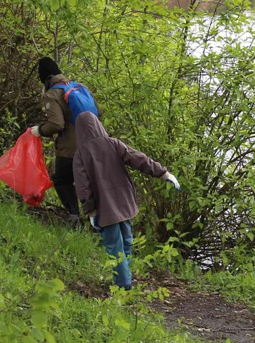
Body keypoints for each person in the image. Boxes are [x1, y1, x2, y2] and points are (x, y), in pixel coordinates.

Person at [72, 112, 180, 289]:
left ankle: (123, 284)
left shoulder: (80, 155)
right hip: (123, 202)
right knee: (127, 241)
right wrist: (163, 173)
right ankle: (125, 282)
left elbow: (83, 187)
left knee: (115, 245)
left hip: (104, 208)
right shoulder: (113, 143)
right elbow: (138, 158)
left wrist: (91, 211)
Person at [29, 57, 94, 228]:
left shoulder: (52, 94)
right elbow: (98, 113)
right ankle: (96, 223)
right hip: (95, 144)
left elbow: (56, 124)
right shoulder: (80, 87)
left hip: (71, 149)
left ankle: (75, 218)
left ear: (45, 79)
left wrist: (40, 130)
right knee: (89, 181)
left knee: (61, 180)